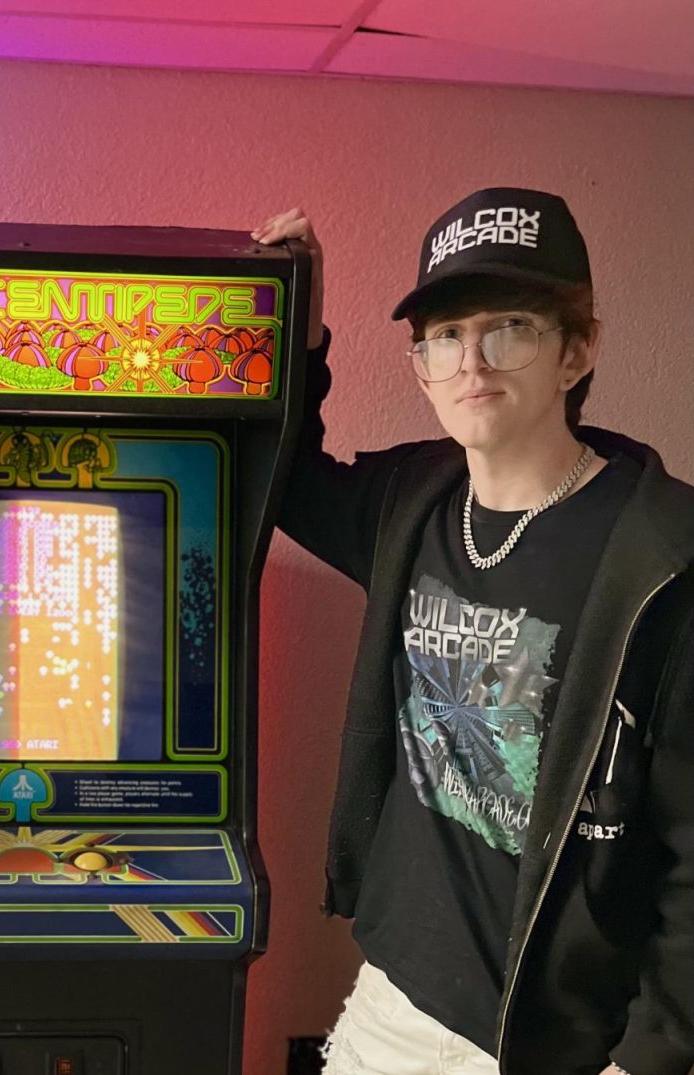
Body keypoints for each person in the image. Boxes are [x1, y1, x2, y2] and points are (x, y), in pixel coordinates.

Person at [253, 189, 694, 1075]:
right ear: (420, 364)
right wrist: (303, 318)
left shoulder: (662, 561)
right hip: (394, 999)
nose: (471, 362)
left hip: (563, 1041)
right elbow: (287, 475)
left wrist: (649, 1058)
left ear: (578, 350)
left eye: (510, 328)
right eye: (446, 335)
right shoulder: (411, 503)